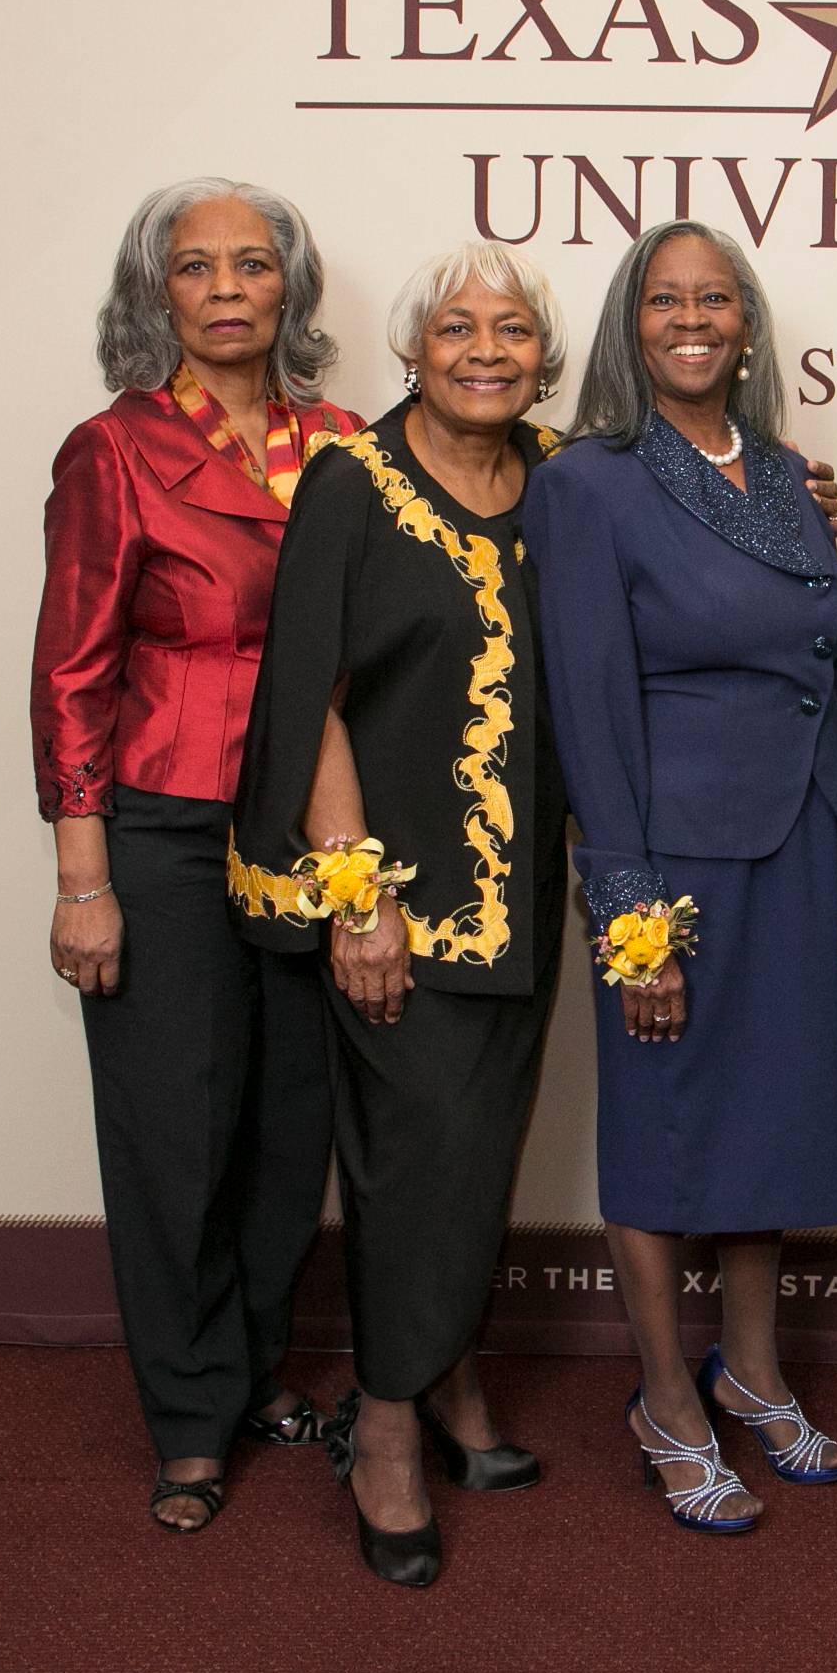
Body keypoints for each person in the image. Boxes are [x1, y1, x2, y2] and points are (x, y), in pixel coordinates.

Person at [523, 220, 837, 1537]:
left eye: (716, 299)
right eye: (666, 300)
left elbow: (824, 674)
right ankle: (667, 1397)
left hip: (791, 845)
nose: (693, 319)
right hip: (669, 868)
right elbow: (589, 707)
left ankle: (755, 1368)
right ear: (632, 325)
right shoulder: (590, 482)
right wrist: (628, 920)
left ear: (747, 323)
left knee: (773, 1118)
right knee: (666, 1125)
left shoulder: (788, 474)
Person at [228, 240, 569, 1588]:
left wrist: (800, 497)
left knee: (484, 1151)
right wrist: (352, 894)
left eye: (512, 329)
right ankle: (382, 1427)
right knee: (409, 1159)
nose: (484, 349)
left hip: (524, 893)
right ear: (412, 348)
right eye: (455, 327)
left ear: (545, 352)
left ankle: (450, 1380)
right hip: (400, 902)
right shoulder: (350, 484)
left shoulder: (565, 480)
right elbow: (307, 692)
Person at [29, 177, 361, 1533]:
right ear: (154, 293)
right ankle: (187, 1417)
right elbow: (70, 675)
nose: (227, 286)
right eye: (195, 266)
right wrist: (82, 880)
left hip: (312, 836)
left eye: (252, 263)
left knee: (291, 1136)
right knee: (176, 1135)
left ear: (291, 286)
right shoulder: (110, 453)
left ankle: (249, 1370)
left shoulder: (348, 441)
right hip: (161, 834)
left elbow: (489, 509)